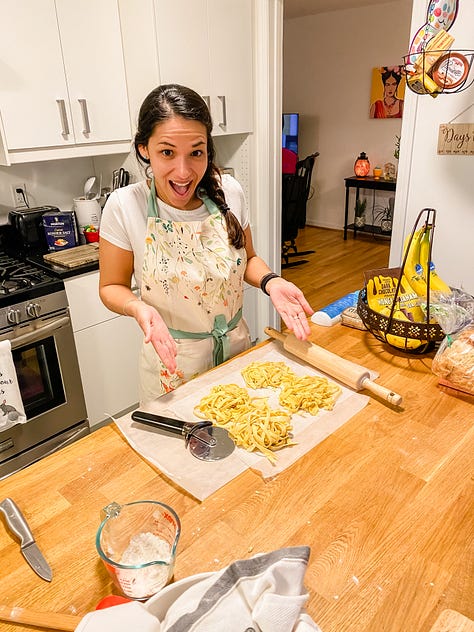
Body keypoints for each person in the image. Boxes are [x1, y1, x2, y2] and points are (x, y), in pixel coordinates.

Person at [99, 84, 313, 404]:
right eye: (167, 152)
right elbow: (111, 286)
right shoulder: (126, 204)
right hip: (171, 365)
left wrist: (272, 281)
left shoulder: (230, 191)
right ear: (144, 149)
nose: (184, 172)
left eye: (196, 152)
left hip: (235, 352)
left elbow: (248, 258)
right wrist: (138, 307)